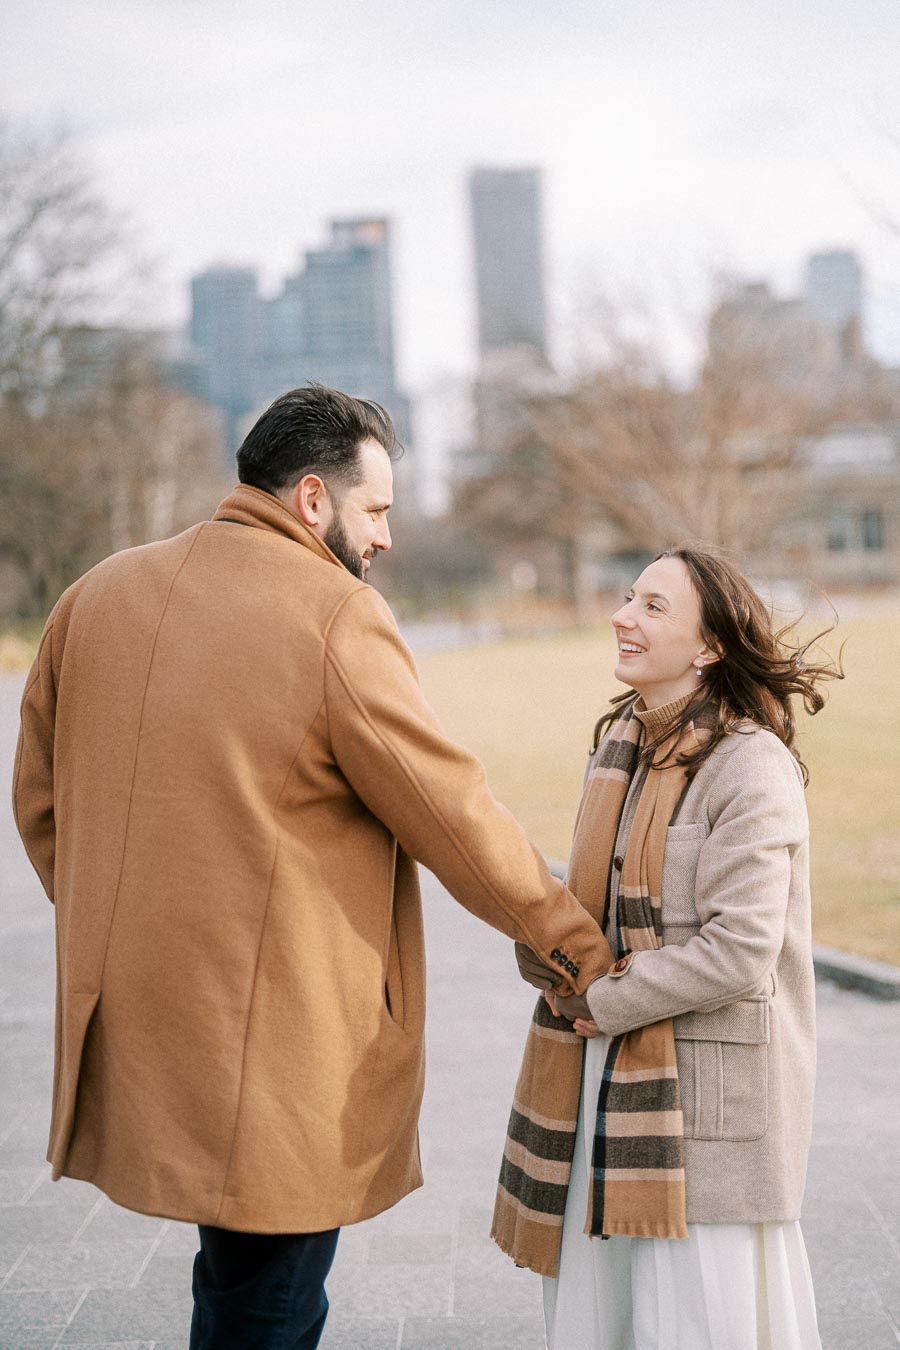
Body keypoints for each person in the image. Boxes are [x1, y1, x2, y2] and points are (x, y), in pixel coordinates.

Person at [12, 384, 610, 1350]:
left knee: (238, 1282)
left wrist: (116, 928)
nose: (385, 538)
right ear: (312, 500)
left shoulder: (97, 591)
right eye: (376, 510)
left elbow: (39, 801)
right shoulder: (336, 616)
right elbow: (452, 816)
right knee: (271, 1307)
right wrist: (578, 949)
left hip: (149, 1024)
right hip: (279, 1051)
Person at [493, 547, 839, 1350]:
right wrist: (550, 955)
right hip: (604, 1091)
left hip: (706, 1110)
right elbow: (590, 907)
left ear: (711, 646)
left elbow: (741, 948)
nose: (624, 616)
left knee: (701, 1323)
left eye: (654, 607)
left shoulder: (750, 765)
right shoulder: (620, 744)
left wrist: (603, 1001)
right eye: (628, 597)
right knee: (606, 1318)